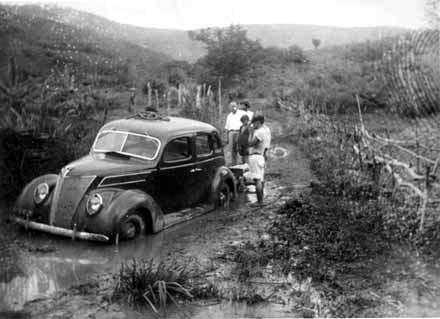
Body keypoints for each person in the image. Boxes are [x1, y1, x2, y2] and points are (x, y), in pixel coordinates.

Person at [248, 114, 271, 205]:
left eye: (254, 123)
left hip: (255, 156)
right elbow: (267, 144)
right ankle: (261, 199)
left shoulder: (259, 132)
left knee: (257, 180)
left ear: (258, 122)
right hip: (261, 155)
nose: (253, 125)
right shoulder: (266, 130)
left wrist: (250, 133)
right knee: (261, 179)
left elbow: (250, 144)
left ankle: (260, 201)